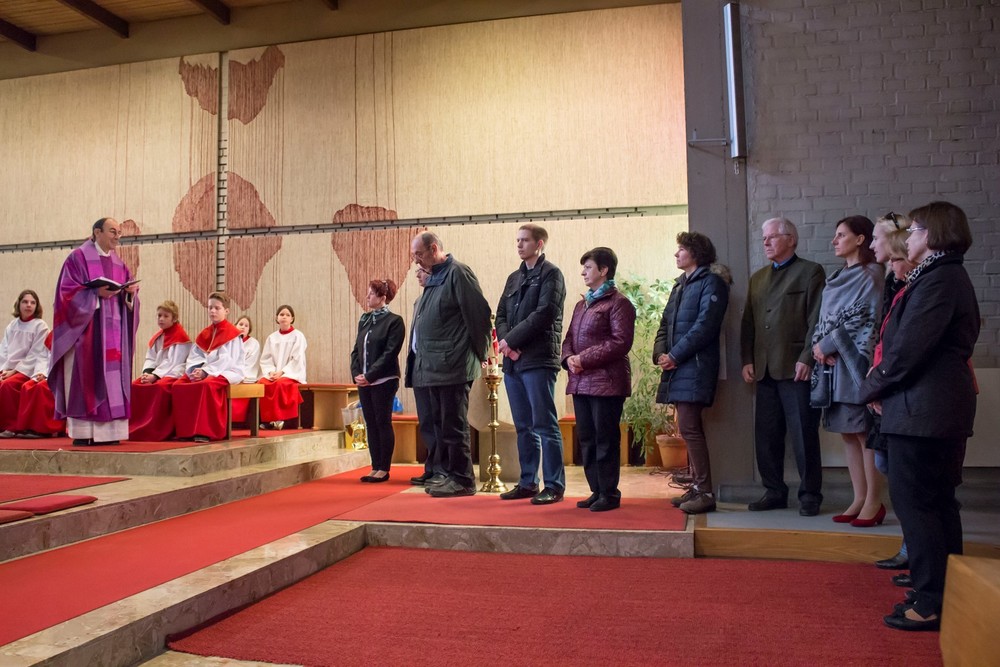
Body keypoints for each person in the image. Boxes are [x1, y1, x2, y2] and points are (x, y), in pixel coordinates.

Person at [860, 201, 980, 632]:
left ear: (931, 235)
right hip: (926, 408)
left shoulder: (940, 279)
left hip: (925, 411)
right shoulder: (939, 276)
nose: (907, 238)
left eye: (913, 231)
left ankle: (931, 602)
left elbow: (908, 349)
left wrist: (871, 388)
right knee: (936, 504)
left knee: (920, 506)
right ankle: (942, 592)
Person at [741, 217, 825, 515]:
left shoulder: (810, 271)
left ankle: (810, 494)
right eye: (764, 237)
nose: (765, 242)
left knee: (804, 434)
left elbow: (817, 319)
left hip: (795, 368)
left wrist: (807, 357)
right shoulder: (758, 278)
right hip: (763, 368)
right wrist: (747, 359)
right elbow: (748, 322)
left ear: (791, 239)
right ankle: (774, 491)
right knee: (766, 436)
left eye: (772, 236)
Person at [810, 216, 884, 527]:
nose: (834, 241)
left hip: (856, 364)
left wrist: (827, 344)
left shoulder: (871, 274)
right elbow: (824, 317)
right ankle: (858, 496)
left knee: (863, 432)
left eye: (841, 235)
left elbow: (864, 317)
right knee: (847, 433)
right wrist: (818, 346)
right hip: (833, 366)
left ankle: (874, 500)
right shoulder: (837, 276)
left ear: (860, 239)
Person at [407, 231, 491, 498]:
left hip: (453, 365)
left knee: (454, 426)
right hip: (434, 367)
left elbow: (479, 315)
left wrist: (481, 354)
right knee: (442, 426)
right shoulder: (435, 278)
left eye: (419, 254)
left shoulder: (458, 273)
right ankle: (450, 475)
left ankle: (464, 480)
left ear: (434, 249)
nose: (416, 260)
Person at [654, 232, 731, 515]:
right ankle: (697, 488)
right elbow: (665, 324)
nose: (676, 254)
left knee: (690, 428)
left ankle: (705, 492)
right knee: (687, 428)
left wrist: (674, 355)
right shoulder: (680, 285)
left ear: (696, 253)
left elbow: (705, 326)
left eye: (681, 249)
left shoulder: (711, 282)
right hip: (678, 366)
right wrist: (660, 354)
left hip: (694, 365)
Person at [50, 218, 140, 446]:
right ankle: (84, 434)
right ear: (97, 232)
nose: (117, 236)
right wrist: (94, 295)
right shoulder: (77, 258)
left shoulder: (119, 264)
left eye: (119, 232)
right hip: (87, 334)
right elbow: (65, 295)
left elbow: (128, 297)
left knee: (113, 380)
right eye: (113, 231)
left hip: (114, 335)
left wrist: (130, 293)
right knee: (87, 379)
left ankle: (110, 434)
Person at [495, 224, 567, 505]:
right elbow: (501, 313)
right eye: (517, 240)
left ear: (539, 244)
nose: (519, 245)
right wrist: (506, 344)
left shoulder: (552, 274)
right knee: (523, 425)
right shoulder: (514, 278)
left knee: (544, 424)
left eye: (525, 240)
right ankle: (528, 482)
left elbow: (545, 314)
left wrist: (511, 341)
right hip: (513, 363)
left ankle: (554, 485)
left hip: (538, 359)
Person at [562, 247, 636, 512]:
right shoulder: (581, 305)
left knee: (605, 439)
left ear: (604, 270)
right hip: (581, 381)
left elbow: (620, 342)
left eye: (588, 267)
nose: (583, 272)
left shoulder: (619, 303)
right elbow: (569, 339)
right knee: (587, 439)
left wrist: (583, 359)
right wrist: (568, 358)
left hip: (607, 382)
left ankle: (609, 493)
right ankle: (596, 490)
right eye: (583, 268)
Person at [868, 212, 913, 571]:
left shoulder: (916, 283)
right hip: (885, 383)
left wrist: (880, 382)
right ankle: (913, 544)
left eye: (876, 238)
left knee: (912, 477)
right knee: (886, 462)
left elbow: (906, 345)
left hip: (902, 388)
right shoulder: (890, 280)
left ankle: (917, 548)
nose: (872, 245)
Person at [351, 279, 405, 483]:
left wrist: (370, 375)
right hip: (364, 381)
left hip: (384, 380)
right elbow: (356, 350)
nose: (367, 297)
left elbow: (390, 353)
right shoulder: (365, 320)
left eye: (371, 293)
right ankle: (375, 466)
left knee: (382, 422)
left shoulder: (394, 321)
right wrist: (357, 373)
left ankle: (384, 468)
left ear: (383, 297)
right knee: (370, 423)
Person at [171, 292, 244, 442]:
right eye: (210, 307)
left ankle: (206, 431)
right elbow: (194, 356)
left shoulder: (233, 334)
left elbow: (227, 360)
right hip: (204, 370)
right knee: (178, 385)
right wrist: (195, 370)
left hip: (228, 371)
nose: (212, 311)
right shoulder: (205, 333)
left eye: (217, 308)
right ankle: (185, 431)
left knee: (207, 385)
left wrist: (205, 372)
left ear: (226, 311)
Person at [128, 301, 193, 442]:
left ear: (174, 318)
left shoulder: (180, 338)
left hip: (173, 373)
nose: (161, 319)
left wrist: (155, 376)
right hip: (157, 373)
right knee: (135, 385)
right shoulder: (158, 337)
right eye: (159, 316)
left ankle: (155, 429)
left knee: (160, 387)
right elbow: (151, 357)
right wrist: (147, 373)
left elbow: (174, 362)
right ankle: (135, 427)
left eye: (165, 316)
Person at [405, 265, 442, 485]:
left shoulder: (441, 296)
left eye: (421, 271)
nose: (418, 275)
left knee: (439, 419)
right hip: (418, 364)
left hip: (435, 366)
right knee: (426, 420)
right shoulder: (418, 301)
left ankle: (442, 469)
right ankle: (431, 466)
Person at [0, 290, 51, 436]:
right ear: (19, 304)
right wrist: (3, 369)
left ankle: (11, 426)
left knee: (7, 385)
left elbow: (35, 354)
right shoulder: (12, 325)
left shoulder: (40, 326)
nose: (29, 305)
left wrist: (14, 371)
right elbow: (4, 350)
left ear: (37, 306)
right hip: (10, 368)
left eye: (32, 303)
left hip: (28, 369)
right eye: (25, 302)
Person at [257, 305, 307, 429]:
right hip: (274, 374)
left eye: (287, 315)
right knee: (262, 383)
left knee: (281, 384)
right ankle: (267, 420)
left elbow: (297, 358)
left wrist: (282, 372)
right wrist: (270, 372)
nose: (284, 317)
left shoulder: (298, 336)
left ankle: (284, 420)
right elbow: (266, 358)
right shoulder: (272, 337)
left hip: (291, 373)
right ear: (277, 318)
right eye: (281, 314)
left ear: (292, 318)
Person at [8, 332, 66, 438]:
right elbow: (43, 357)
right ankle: (27, 426)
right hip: (45, 372)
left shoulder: (70, 332)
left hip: (60, 375)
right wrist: (41, 372)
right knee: (27, 386)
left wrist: (47, 375)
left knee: (41, 388)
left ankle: (45, 429)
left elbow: (66, 359)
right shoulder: (53, 334)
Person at [230, 315, 261, 425]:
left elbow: (251, 364)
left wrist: (239, 376)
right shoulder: (229, 341)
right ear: (235, 326)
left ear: (249, 329)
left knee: (242, 389)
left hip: (245, 376)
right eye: (241, 324)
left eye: (246, 326)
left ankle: (238, 422)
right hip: (230, 375)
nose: (243, 327)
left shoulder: (254, 344)